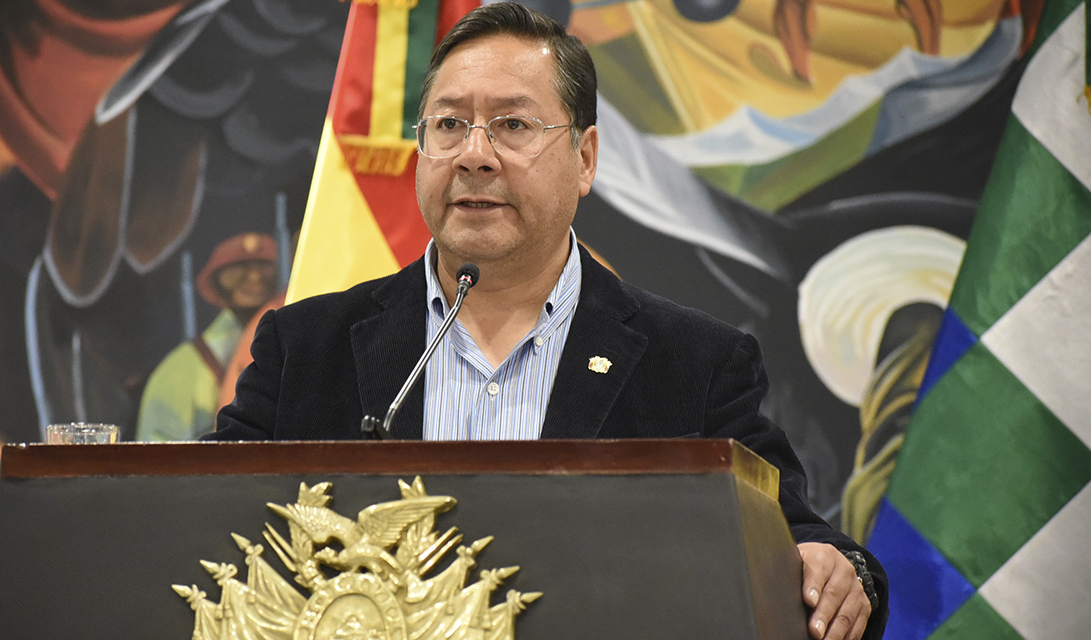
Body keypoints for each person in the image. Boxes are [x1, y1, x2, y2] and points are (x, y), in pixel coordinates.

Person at [208, 4, 886, 639]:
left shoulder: (695, 365)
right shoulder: (305, 347)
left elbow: (806, 545)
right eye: (448, 125)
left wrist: (835, 570)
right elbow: (198, 524)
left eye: (512, 125)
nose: (474, 154)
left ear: (585, 159)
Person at [138, 233, 279, 440]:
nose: (255, 276)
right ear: (216, 279)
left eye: (263, 265)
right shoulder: (179, 370)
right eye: (240, 266)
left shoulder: (286, 344)